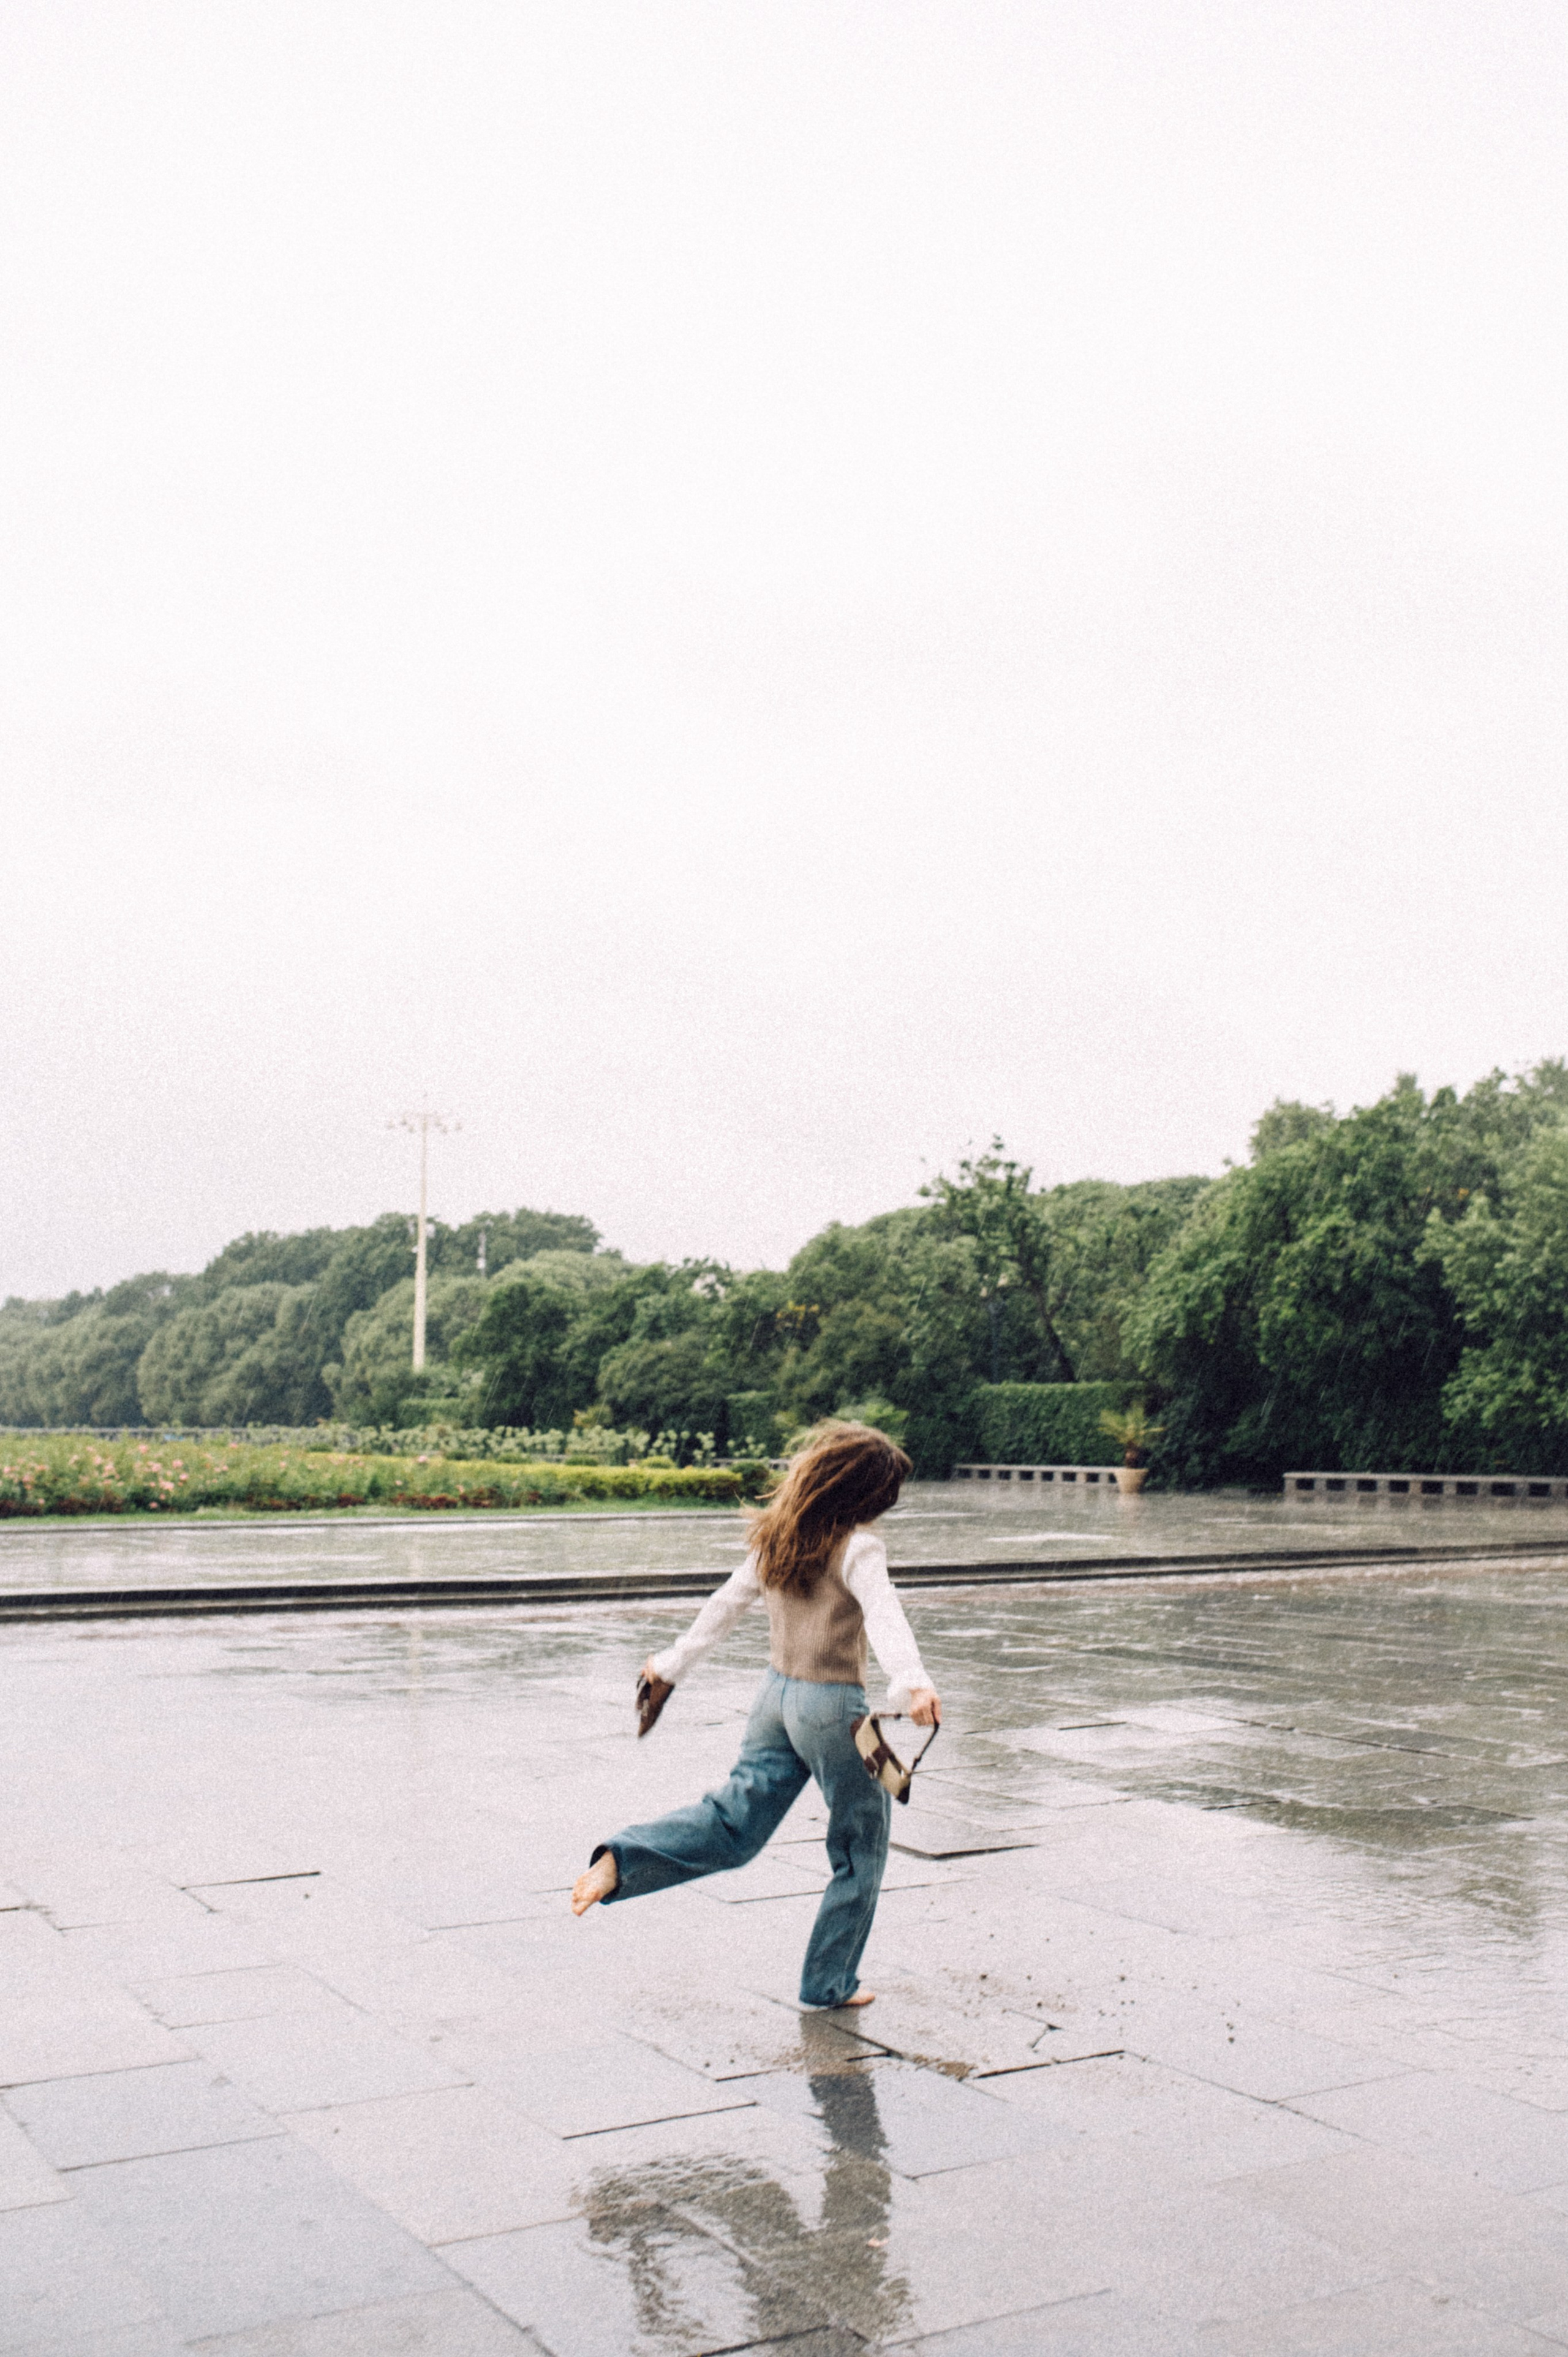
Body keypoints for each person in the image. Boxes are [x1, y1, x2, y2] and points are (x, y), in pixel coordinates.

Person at [571, 1421, 941, 2010]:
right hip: (832, 1708)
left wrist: (669, 1666)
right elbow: (885, 1615)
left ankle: (625, 1859)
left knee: (733, 1824)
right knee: (860, 1848)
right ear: (863, 1495)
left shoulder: (778, 1537)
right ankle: (829, 1983)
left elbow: (724, 1606)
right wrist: (913, 1683)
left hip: (774, 1700)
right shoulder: (859, 1548)